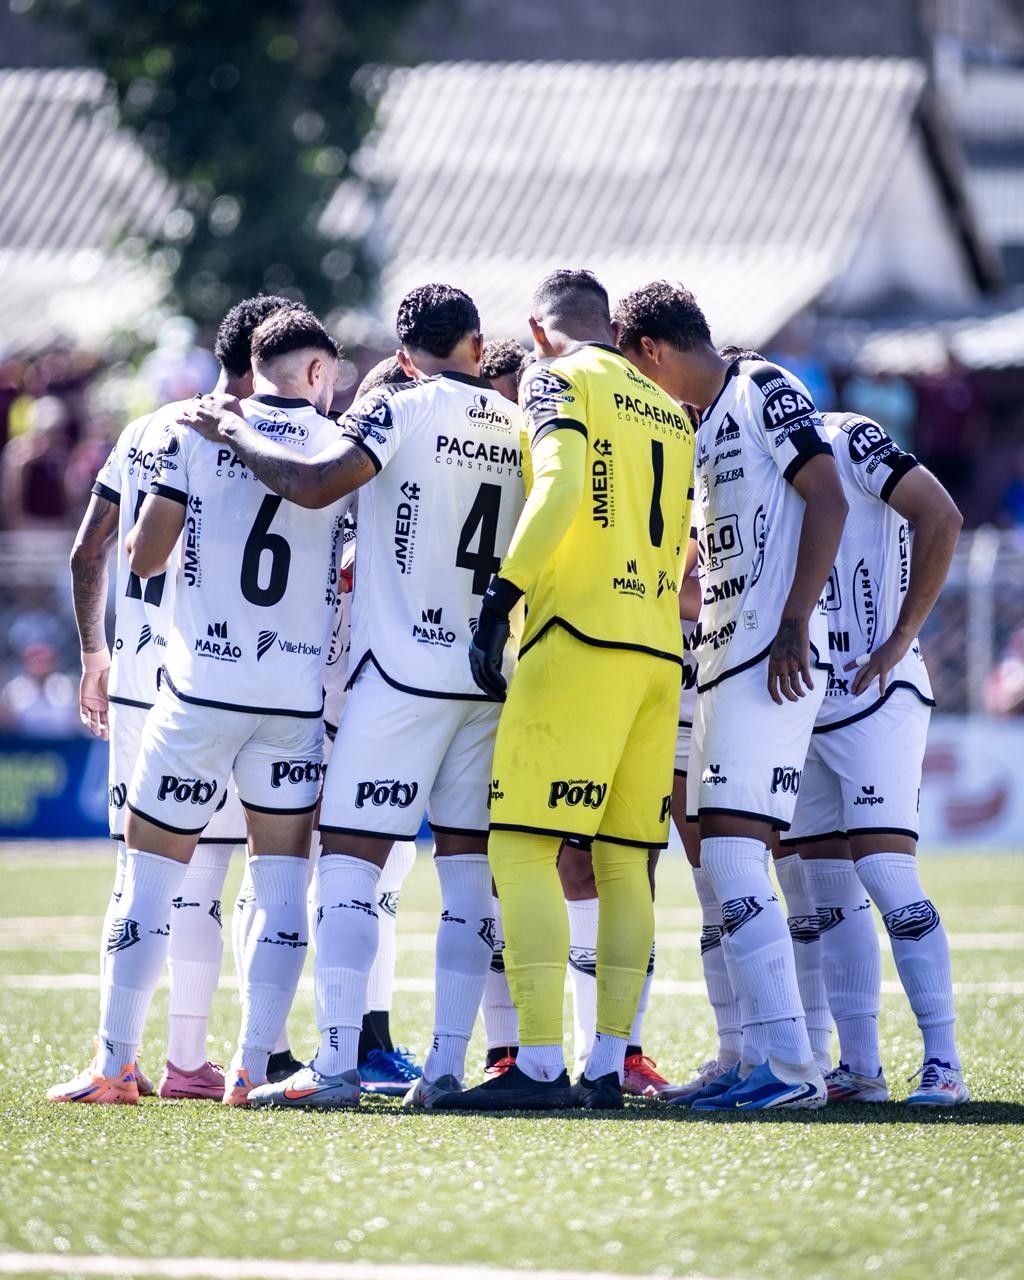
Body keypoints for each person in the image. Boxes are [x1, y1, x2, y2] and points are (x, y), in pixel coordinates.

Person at [176, 283, 526, 1111]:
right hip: (485, 680)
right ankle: (445, 1067)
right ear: (480, 346)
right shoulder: (519, 425)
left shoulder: (400, 405)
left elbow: (315, 483)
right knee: (470, 877)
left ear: (403, 356)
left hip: (399, 681)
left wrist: (233, 430)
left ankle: (335, 1064)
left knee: (349, 866)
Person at [48, 307, 348, 1106]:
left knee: (146, 881)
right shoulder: (345, 446)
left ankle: (115, 1064)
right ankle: (250, 1068)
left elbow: (140, 555)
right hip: (291, 699)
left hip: (198, 691)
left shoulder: (192, 431)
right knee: (281, 887)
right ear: (318, 372)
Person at [448, 268, 695, 1112]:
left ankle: (542, 1066)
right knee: (627, 866)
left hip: (580, 640)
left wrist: (500, 600)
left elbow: (555, 488)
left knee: (518, 848)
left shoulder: (557, 377)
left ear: (539, 329)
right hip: (659, 652)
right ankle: (608, 1065)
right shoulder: (667, 403)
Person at [615, 281, 847, 1112]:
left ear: (649, 351)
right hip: (718, 659)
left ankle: (793, 1070)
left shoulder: (762, 388)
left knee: (739, 854)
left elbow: (829, 495)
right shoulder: (698, 422)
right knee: (720, 864)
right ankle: (750, 1056)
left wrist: (793, 620)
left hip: (769, 656)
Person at [784, 411, 966, 1105]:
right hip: (802, 699)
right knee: (827, 888)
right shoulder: (733, 445)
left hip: (875, 691)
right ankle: (859, 1068)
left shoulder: (845, 435)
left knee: (886, 869)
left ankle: (944, 1063)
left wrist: (901, 637)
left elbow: (940, 514)